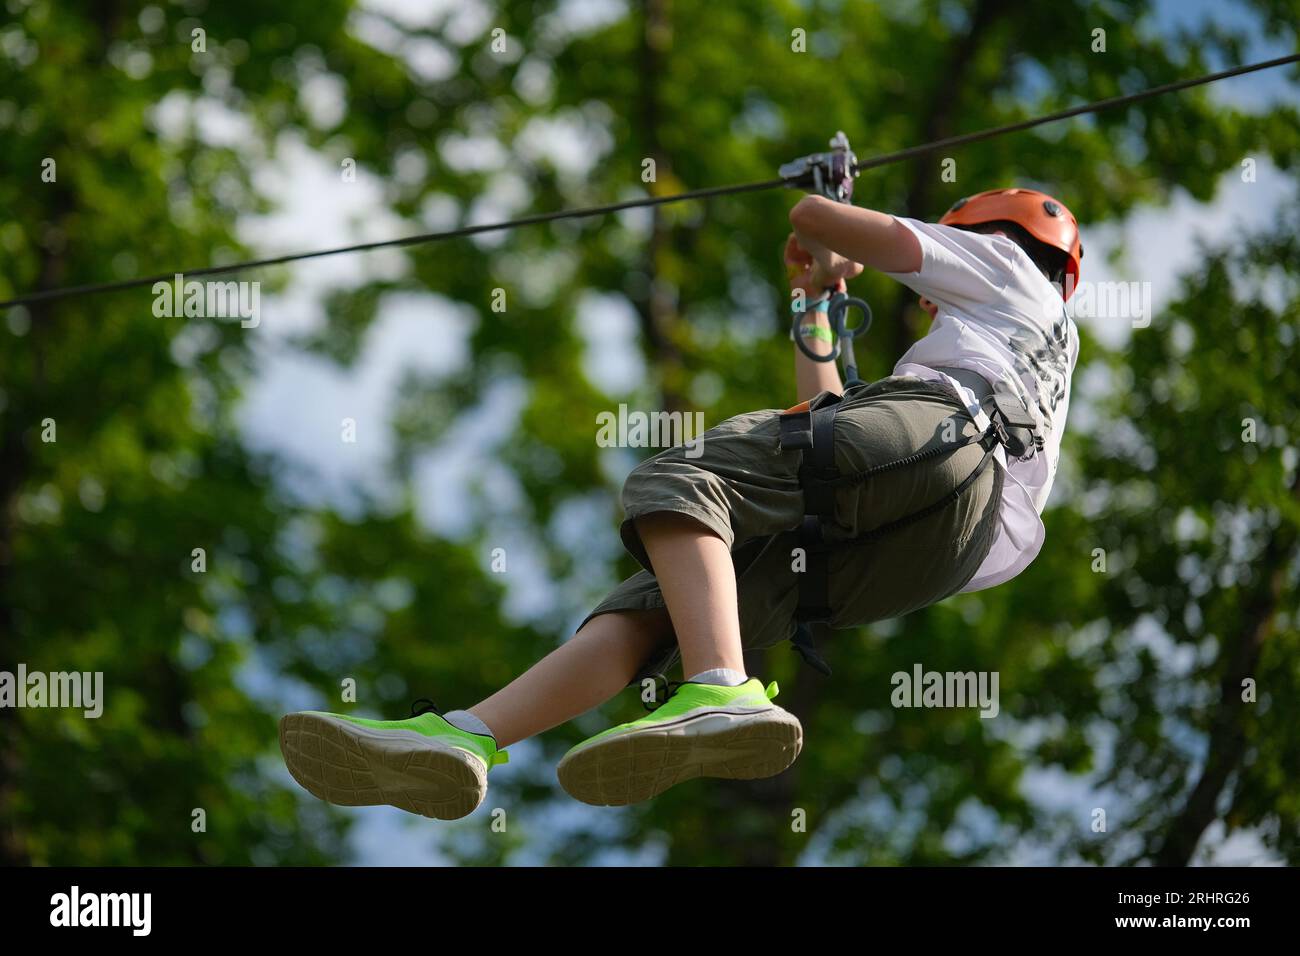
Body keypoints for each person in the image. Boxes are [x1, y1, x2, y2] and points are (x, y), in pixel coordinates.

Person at [278, 187, 1083, 819]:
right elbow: (829, 421)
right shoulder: (1017, 349)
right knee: (668, 602)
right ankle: (468, 736)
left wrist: (826, 220)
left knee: (683, 480)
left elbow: (812, 214)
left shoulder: (1001, 265)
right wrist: (815, 305)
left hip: (949, 442)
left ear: (992, 232)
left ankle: (720, 689)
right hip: (951, 547)